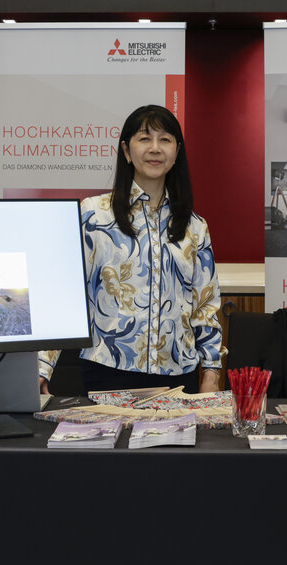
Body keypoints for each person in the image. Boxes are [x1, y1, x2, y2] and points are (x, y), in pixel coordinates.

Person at [39, 104, 223, 395]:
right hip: (107, 372)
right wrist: (42, 367)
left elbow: (205, 306)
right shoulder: (93, 215)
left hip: (178, 374)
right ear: (126, 151)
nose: (155, 148)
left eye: (165, 140)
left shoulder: (194, 226)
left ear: (177, 152)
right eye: (144, 138)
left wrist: (211, 372)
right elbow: (64, 293)